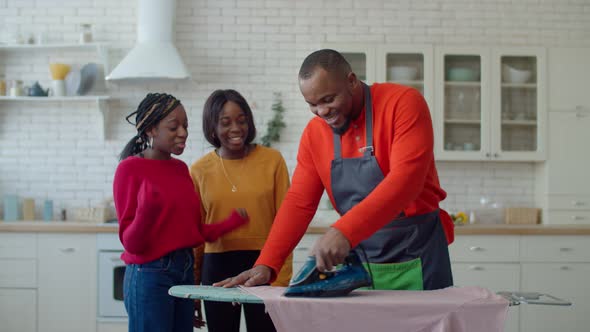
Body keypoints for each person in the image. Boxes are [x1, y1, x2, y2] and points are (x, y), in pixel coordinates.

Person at [215, 49, 455, 292]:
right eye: (312, 104)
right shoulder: (315, 133)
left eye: (328, 100)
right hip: (359, 264)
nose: (322, 112)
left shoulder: (402, 103)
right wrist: (267, 262)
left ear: (351, 81)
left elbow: (406, 181)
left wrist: (344, 231)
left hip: (417, 255)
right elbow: (299, 202)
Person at [113, 93, 249, 332]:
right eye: (174, 127)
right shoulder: (130, 169)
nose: (183, 132)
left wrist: (230, 223)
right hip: (149, 274)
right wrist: (146, 212)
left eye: (185, 125)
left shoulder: (180, 169)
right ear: (151, 130)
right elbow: (131, 243)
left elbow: (192, 231)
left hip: (183, 269)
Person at [190, 89, 292, 332]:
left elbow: (287, 223)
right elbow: (196, 235)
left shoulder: (272, 160)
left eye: (242, 120)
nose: (236, 128)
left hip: (265, 263)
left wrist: (282, 278)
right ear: (212, 127)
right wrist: (194, 288)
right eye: (225, 122)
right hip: (216, 266)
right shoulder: (199, 170)